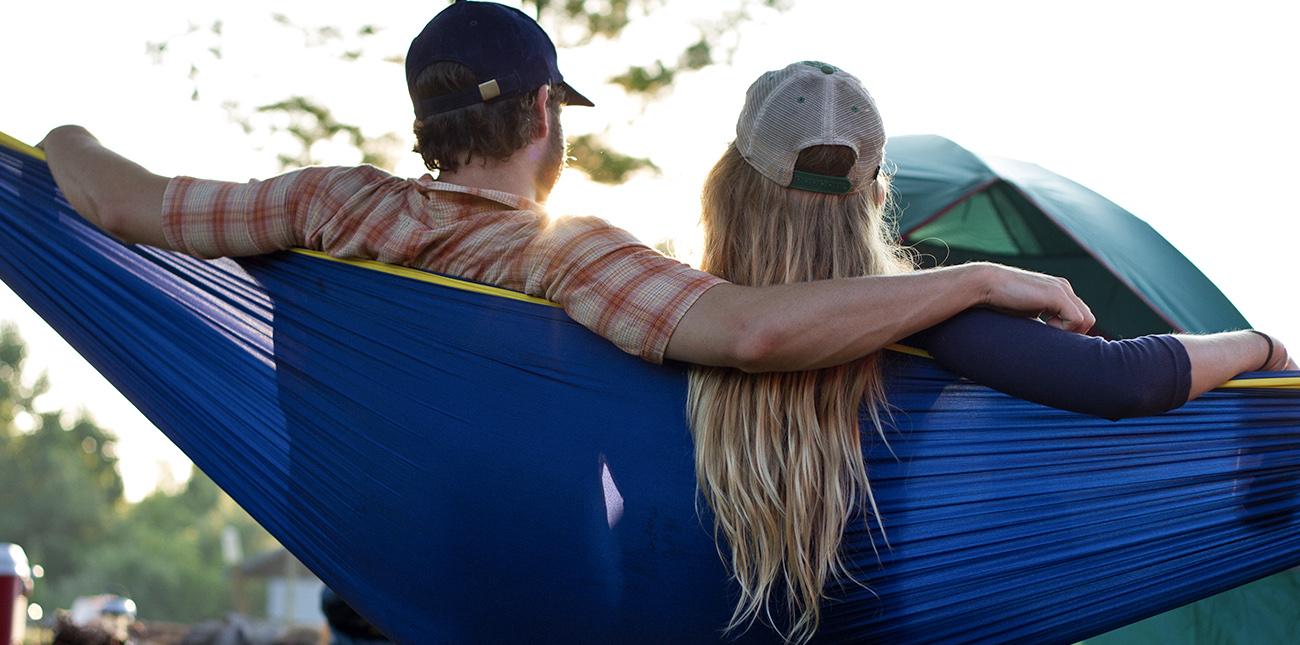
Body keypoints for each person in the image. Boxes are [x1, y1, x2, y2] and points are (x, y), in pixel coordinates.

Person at [38, 0, 1095, 375]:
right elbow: (750, 332)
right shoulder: (566, 254)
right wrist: (975, 281)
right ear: (544, 115)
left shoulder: (327, 205)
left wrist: (56, 133)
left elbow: (125, 202)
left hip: (368, 549)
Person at [687, 60, 1293, 644]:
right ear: (873, 198)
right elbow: (1124, 380)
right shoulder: (929, 319)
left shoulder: (683, 322)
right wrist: (1262, 347)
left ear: (727, 187)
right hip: (894, 617)